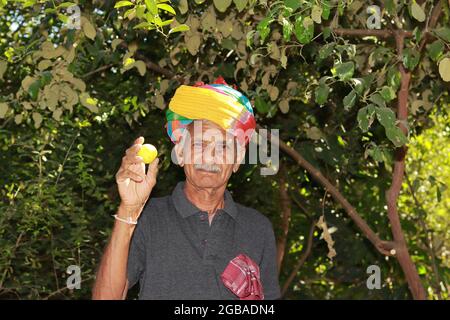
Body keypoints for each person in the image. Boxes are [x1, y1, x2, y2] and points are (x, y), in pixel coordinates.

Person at [92, 77, 281, 300]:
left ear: (237, 159)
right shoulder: (147, 218)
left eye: (223, 146)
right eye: (200, 144)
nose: (210, 156)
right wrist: (128, 211)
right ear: (180, 153)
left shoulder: (258, 228)